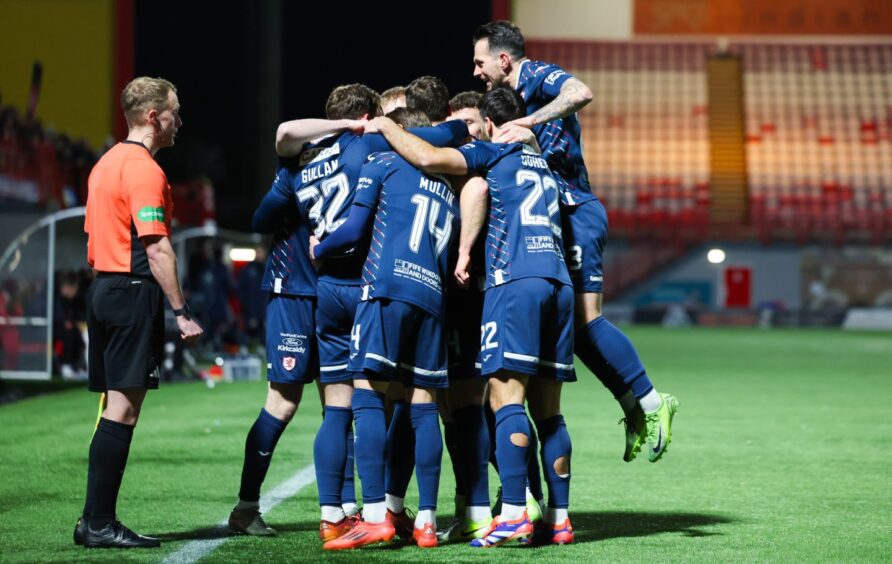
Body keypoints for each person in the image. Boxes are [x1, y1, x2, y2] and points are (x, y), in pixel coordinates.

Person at [367, 86, 576, 547]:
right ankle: (559, 519)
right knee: (551, 415)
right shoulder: (547, 165)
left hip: (514, 282)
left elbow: (428, 158)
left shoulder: (491, 154)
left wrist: (386, 126)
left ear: (491, 124)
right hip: (560, 283)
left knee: (505, 403)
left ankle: (516, 513)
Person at [471, 20, 679, 464]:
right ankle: (632, 407)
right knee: (573, 333)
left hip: (576, 209)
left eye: (479, 61)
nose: (476, 70)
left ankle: (651, 401)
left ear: (503, 60)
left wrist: (530, 120)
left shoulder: (538, 75)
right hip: (553, 220)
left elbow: (581, 92)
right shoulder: (507, 97)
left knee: (587, 320)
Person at [274, 86, 469, 543]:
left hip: (382, 291)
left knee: (360, 397)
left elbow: (356, 227)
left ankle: (373, 514)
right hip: (432, 300)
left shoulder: (381, 163)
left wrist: (319, 246)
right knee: (423, 407)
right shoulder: (447, 186)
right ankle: (425, 521)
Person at [75, 76, 203, 549]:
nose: (179, 120)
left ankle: (93, 519)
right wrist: (182, 311)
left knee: (113, 407)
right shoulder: (145, 170)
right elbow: (156, 247)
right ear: (154, 117)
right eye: (175, 111)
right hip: (131, 292)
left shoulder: (104, 164)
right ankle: (98, 523)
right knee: (123, 411)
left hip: (103, 289)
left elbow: (93, 241)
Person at [227, 152, 328, 537]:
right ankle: (246, 507)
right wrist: (290, 181)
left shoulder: (357, 167)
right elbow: (259, 221)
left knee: (340, 404)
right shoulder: (295, 173)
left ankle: (340, 511)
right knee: (283, 403)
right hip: (292, 297)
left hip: (335, 295)